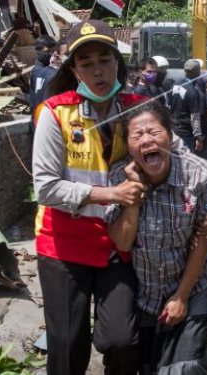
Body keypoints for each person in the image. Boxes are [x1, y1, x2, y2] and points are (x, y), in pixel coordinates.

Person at [32, 19, 146, 375]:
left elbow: (172, 158)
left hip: (119, 244)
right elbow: (46, 187)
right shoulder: (55, 113)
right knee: (67, 346)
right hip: (63, 246)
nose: (97, 71)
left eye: (104, 59)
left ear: (118, 61)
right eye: (86, 63)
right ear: (74, 69)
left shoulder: (139, 108)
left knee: (122, 341)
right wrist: (111, 193)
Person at [105, 100, 207, 375]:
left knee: (182, 369)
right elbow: (121, 242)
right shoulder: (119, 177)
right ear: (129, 146)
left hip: (194, 283)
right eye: (137, 135)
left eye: (154, 132)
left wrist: (181, 296)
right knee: (150, 365)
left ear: (170, 136)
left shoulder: (200, 174)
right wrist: (133, 195)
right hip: (147, 289)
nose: (146, 140)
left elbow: (203, 240)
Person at [170, 59, 206, 154]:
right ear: (196, 72)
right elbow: (195, 117)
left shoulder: (174, 85)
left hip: (174, 129)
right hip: (186, 133)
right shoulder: (192, 91)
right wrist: (199, 138)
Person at [29, 35, 59, 121]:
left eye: (54, 51)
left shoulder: (34, 71)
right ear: (38, 51)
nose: (52, 54)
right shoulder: (49, 72)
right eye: (49, 51)